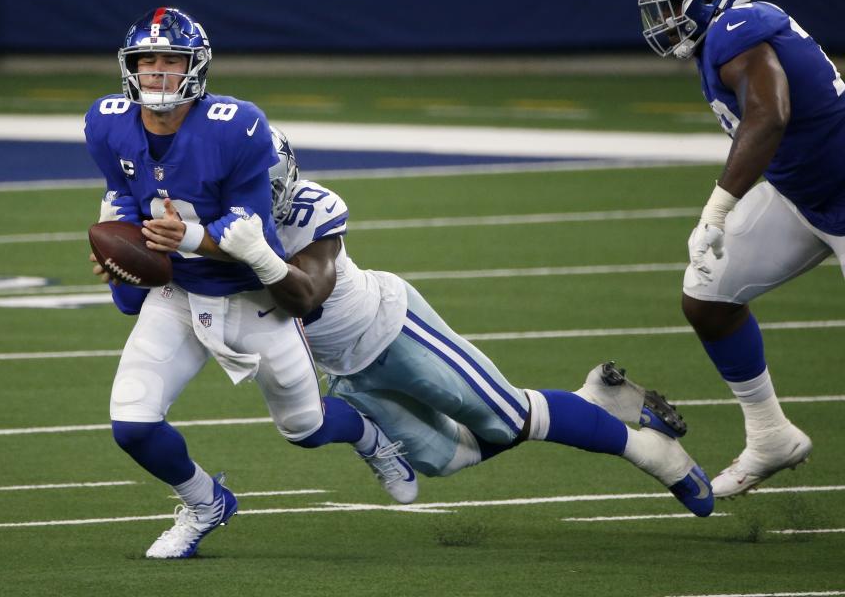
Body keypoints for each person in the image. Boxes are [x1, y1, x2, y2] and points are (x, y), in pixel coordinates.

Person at [150, 125, 717, 518]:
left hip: (391, 329)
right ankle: (591, 400)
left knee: (507, 418)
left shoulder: (310, 206)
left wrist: (256, 253)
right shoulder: (204, 219)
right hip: (343, 369)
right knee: (451, 458)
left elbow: (306, 296)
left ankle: (649, 453)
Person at [86, 7, 417, 559]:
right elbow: (124, 202)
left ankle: (368, 435)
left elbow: (248, 235)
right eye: (148, 61)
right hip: (180, 295)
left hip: (251, 296)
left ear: (197, 67)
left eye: (173, 61)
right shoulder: (106, 120)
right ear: (131, 67)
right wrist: (121, 257)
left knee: (305, 428)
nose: (159, 74)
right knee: (133, 424)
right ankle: (204, 502)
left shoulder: (236, 124)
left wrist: (185, 238)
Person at [639, 0, 844, 496]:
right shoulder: (726, 38)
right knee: (707, 297)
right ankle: (770, 434)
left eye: (671, 6)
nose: (662, 20)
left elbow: (768, 115)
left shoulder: (736, 29)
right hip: (806, 197)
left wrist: (717, 208)